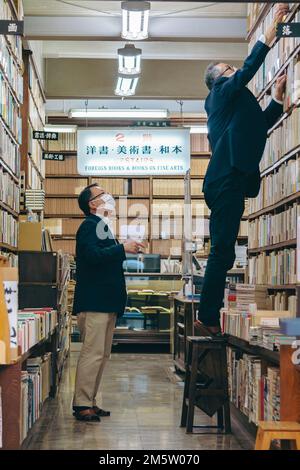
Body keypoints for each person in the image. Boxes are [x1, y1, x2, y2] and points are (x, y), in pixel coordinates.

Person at [196, 3, 289, 335]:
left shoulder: (237, 106)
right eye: (228, 68)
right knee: (222, 250)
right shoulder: (220, 95)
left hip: (231, 180)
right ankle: (207, 317)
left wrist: (276, 99)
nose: (235, 69)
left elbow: (258, 127)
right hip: (225, 181)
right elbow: (248, 70)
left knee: (222, 250)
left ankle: (209, 314)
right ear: (219, 79)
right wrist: (269, 33)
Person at [72, 183, 144, 421]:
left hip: (105, 302)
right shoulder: (89, 226)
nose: (109, 197)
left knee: (101, 355)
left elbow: (105, 257)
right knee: (93, 354)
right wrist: (122, 248)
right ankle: (82, 403)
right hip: (95, 303)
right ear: (93, 204)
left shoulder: (102, 227)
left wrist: (122, 248)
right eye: (103, 194)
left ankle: (90, 400)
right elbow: (92, 257)